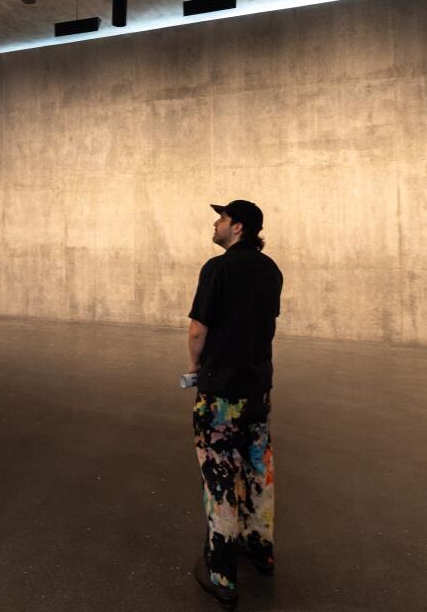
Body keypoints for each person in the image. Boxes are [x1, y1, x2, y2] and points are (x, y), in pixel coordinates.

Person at [186, 199, 283, 609]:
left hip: (221, 392)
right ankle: (260, 550)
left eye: (222, 218)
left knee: (220, 476)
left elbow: (198, 330)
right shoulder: (271, 270)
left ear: (238, 226)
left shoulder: (217, 268)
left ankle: (221, 573)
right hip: (257, 390)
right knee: (257, 469)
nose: (216, 223)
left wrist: (195, 368)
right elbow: (266, 324)